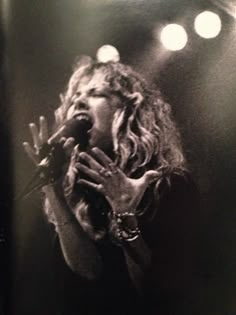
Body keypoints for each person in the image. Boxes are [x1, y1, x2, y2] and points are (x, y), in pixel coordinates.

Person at [23, 53, 199, 315]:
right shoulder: (77, 190)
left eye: (96, 93)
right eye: (75, 97)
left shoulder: (165, 184)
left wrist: (125, 213)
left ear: (127, 110)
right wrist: (53, 189)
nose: (79, 101)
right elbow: (89, 272)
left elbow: (156, 291)